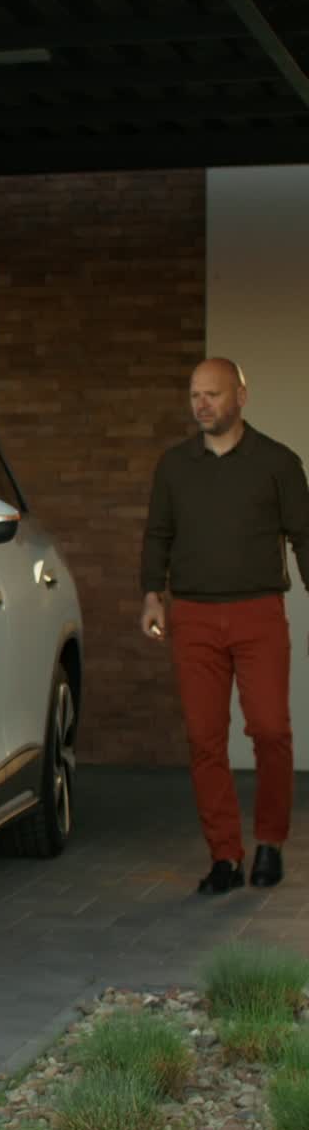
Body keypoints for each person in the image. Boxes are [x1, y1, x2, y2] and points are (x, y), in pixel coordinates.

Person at [140, 357, 309, 894]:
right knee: (204, 739)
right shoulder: (173, 466)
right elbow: (157, 535)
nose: (202, 404)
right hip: (192, 616)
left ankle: (270, 843)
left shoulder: (279, 463)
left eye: (212, 394)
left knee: (271, 731)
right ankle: (225, 858)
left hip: (259, 613)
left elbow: (305, 536)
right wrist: (151, 596)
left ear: (241, 395)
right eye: (195, 395)